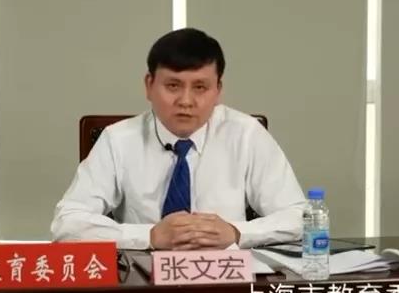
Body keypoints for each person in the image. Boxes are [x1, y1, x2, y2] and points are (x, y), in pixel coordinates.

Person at [51, 27, 306, 251]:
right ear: (149, 85)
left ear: (218, 90)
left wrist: (237, 232)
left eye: (200, 87)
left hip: (226, 277)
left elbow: (299, 216)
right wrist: (149, 236)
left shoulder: (246, 134)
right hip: (142, 279)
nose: (186, 101)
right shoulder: (118, 140)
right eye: (173, 86)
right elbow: (68, 223)